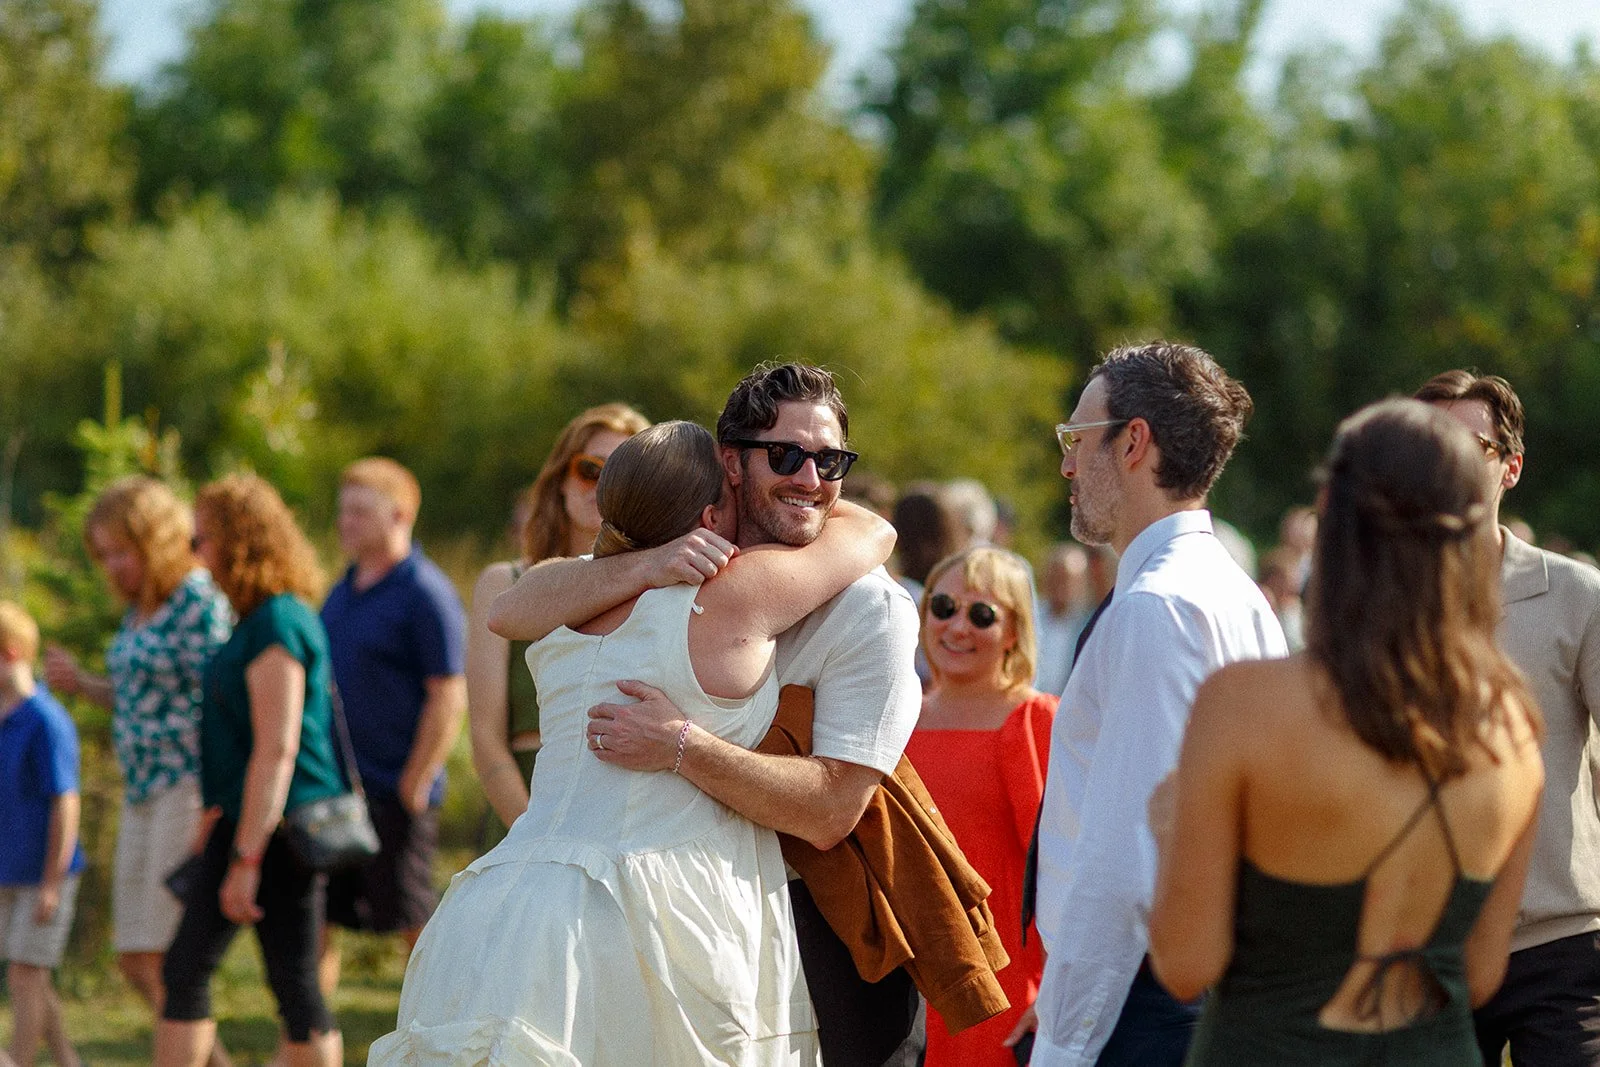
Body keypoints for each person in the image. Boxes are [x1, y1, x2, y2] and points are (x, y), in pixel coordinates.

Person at [369, 420, 896, 1064]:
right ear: (706, 517)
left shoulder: (569, 606)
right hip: (657, 904)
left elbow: (509, 608)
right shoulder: (734, 601)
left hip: (512, 897)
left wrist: (642, 559)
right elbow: (872, 531)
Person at [489, 362, 926, 1066]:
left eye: (831, 460)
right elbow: (510, 607)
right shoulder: (666, 581)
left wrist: (682, 744)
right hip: (666, 920)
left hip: (831, 929)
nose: (810, 478)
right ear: (730, 463)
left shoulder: (869, 607)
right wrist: (649, 561)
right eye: (785, 455)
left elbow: (834, 806)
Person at [1148, 398, 1546, 1064]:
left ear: (1332, 511)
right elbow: (1478, 977)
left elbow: (1186, 962)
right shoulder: (1512, 723)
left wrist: (1167, 825)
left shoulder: (1244, 704)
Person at [1028, 341, 1286, 1066]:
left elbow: (1127, 860)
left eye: (1077, 439)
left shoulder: (1158, 606)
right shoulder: (1230, 592)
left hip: (1143, 1005)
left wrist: (1065, 1043)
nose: (1067, 465)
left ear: (1133, 441)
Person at [1415, 370, 1600, 1067]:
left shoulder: (1578, 595)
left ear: (1510, 466)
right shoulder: (1373, 607)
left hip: (1561, 944)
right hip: (1426, 950)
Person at [156, 474, 344, 1067]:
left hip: (277, 831)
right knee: (207, 972)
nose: (194, 553)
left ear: (238, 542)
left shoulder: (278, 623)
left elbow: (277, 748)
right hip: (250, 824)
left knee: (279, 984)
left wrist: (246, 859)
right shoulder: (258, 620)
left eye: (201, 539)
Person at [42, 477, 232, 1056]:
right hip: (143, 789)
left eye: (122, 551)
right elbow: (140, 695)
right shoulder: (139, 612)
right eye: (103, 555)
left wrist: (221, 798)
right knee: (134, 958)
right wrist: (84, 685)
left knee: (169, 957)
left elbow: (228, 695)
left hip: (187, 787)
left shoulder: (198, 601)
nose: (112, 566)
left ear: (156, 540)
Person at [903, 547, 1057, 1066]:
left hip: (1003, 988)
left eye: (982, 614)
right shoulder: (897, 715)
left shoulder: (1035, 720)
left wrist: (1056, 989)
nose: (957, 627)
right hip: (904, 982)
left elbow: (1061, 870)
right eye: (943, 607)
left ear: (1014, 631)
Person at [467, 403, 649, 836]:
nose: (601, 485)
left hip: (627, 812)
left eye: (622, 475)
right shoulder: (504, 584)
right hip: (524, 807)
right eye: (589, 469)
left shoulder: (655, 586)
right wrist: (532, 833)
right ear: (560, 482)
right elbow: (485, 739)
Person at [319, 458, 467, 978]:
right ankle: (309, 1046)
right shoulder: (342, 590)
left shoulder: (426, 593)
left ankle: (436, 1034)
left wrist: (416, 778)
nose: (346, 522)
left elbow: (448, 693)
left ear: (400, 515)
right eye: (343, 511)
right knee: (319, 918)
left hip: (396, 791)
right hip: (337, 790)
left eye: (360, 511)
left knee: (413, 921)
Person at [0, 601, 85, 1067]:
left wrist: (52, 883)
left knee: (25, 972)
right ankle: (69, 1060)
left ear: (10, 654)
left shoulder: (46, 721)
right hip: (7, 871)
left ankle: (17, 1060)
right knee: (30, 974)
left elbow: (65, 803)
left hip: (45, 874)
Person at [1033, 543, 1092, 697]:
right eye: (1055, 577)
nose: (1060, 585)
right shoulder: (1031, 617)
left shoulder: (1090, 625)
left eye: (1066, 579)